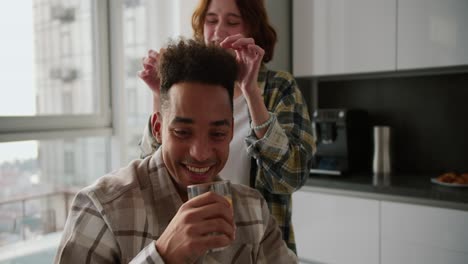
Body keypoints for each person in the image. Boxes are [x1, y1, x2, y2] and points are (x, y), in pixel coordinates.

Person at [54, 39, 297, 263]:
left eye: (217, 134)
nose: (201, 153)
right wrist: (163, 255)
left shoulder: (253, 210)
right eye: (182, 132)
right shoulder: (102, 207)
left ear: (232, 131)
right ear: (158, 128)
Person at [138, 0, 315, 252]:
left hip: (259, 246)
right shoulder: (189, 85)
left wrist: (251, 91)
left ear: (252, 30)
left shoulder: (280, 88)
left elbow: (290, 178)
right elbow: (152, 170)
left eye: (232, 22)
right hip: (190, 242)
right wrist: (160, 94)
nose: (219, 31)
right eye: (211, 21)